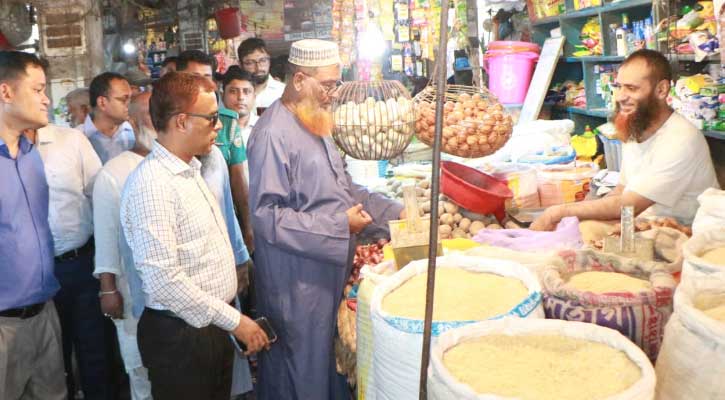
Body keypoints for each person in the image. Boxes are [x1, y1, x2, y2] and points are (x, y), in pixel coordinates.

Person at [247, 39, 404, 400]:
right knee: (300, 372)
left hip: (328, 273)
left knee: (326, 367)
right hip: (297, 283)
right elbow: (267, 217)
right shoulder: (272, 134)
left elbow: (344, 190)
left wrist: (396, 213)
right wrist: (338, 226)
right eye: (328, 85)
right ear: (300, 80)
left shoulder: (314, 122)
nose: (333, 94)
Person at [120, 72, 269, 400]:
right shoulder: (153, 185)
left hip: (209, 326)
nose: (220, 126)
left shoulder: (193, 169)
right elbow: (163, 282)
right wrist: (235, 320)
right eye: (213, 118)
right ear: (181, 122)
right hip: (181, 335)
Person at [531, 49, 720, 231]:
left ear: (661, 90)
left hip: (684, 231)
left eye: (631, 88)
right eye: (619, 87)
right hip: (642, 221)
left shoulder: (681, 139)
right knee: (575, 230)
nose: (621, 96)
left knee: (579, 231)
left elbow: (629, 206)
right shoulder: (636, 125)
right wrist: (577, 216)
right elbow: (622, 189)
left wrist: (558, 212)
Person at [0, 50, 66, 400]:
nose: (46, 99)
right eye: (38, 89)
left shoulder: (30, 154)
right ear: (6, 92)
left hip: (44, 314)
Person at [23, 121, 106, 399]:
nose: (44, 98)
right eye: (35, 90)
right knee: (51, 360)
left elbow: (100, 196)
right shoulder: (7, 150)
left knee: (94, 349)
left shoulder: (72, 140)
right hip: (31, 274)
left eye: (42, 88)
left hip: (80, 264)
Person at [93, 92, 155, 400]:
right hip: (132, 293)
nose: (151, 120)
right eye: (145, 114)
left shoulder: (180, 164)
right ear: (133, 120)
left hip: (171, 300)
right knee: (142, 374)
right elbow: (105, 239)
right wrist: (108, 289)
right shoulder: (113, 173)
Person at [219, 66, 256, 250]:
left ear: (254, 96)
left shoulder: (265, 129)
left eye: (246, 92)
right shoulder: (215, 130)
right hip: (228, 212)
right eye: (233, 91)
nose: (241, 97)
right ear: (222, 94)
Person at [80, 72, 135, 164]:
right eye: (124, 99)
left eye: (131, 99)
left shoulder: (135, 133)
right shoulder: (78, 139)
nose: (129, 104)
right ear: (102, 102)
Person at [237, 38, 285, 113]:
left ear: (269, 61)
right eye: (250, 63)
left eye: (263, 61)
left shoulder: (283, 92)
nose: (258, 68)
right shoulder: (235, 94)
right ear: (240, 65)